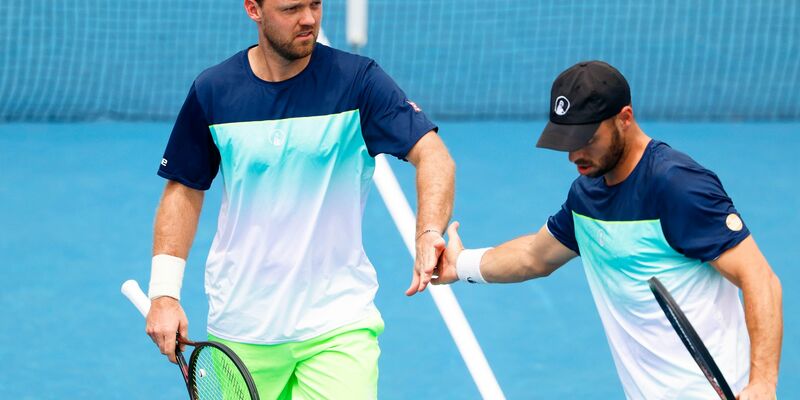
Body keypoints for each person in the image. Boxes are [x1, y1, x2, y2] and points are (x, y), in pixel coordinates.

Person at [144, 0, 455, 398]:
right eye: (291, 8)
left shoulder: (358, 82)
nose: (308, 18)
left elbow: (434, 156)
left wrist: (429, 231)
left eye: (315, 4)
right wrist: (165, 293)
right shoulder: (214, 91)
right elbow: (183, 190)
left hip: (337, 322)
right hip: (243, 326)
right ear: (253, 9)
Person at [432, 61, 782, 399]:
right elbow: (533, 257)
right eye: (566, 140)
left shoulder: (677, 185)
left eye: (586, 138)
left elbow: (759, 279)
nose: (574, 155)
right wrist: (461, 264)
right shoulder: (587, 195)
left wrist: (763, 384)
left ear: (624, 119)